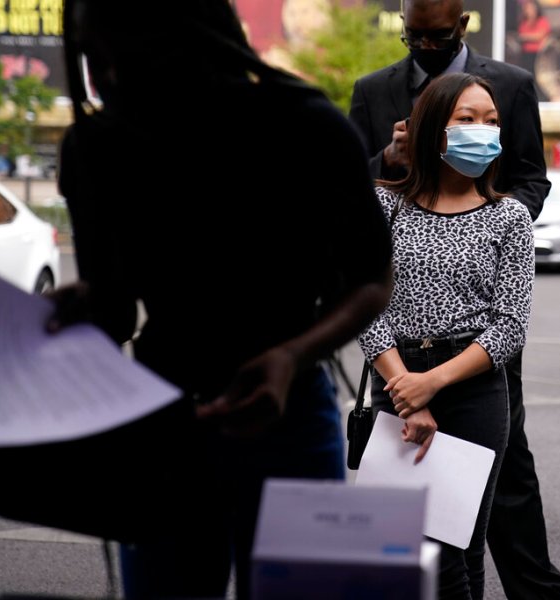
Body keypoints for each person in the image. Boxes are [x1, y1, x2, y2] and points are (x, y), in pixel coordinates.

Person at [50, 1, 393, 598]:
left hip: (289, 411)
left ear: (188, 32)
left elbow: (370, 279)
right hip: (164, 422)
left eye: (119, 51)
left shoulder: (306, 126)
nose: (101, 74)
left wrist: (291, 355)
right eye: (89, 55)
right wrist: (72, 311)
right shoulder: (96, 146)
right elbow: (114, 307)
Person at [349, 2, 560, 599]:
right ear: (430, 127)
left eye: (490, 121)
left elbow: (508, 325)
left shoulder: (508, 217)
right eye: (467, 119)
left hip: (472, 378)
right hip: (398, 379)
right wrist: (406, 389)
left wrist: (435, 383)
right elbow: (366, 300)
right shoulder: (385, 200)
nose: (483, 131)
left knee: (460, 542)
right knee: (403, 546)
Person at [516, 0, 551, 77]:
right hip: (526, 55)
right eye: (527, 8)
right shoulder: (523, 22)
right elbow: (520, 35)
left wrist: (526, 37)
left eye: (532, 8)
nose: (530, 10)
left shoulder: (542, 20)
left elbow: (540, 35)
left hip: (539, 55)